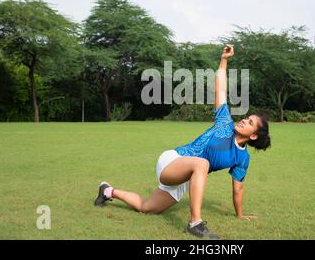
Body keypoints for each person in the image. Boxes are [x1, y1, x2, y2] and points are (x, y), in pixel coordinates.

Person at [94, 45, 271, 239]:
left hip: (185, 179)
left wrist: (239, 215)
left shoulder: (242, 158)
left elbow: (238, 189)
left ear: (254, 136)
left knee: (146, 208)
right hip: (172, 161)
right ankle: (195, 223)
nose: (245, 120)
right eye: (247, 118)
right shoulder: (225, 123)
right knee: (203, 163)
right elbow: (219, 89)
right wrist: (224, 60)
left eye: (250, 122)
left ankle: (108, 191)